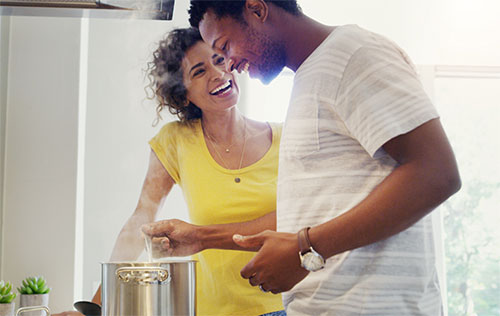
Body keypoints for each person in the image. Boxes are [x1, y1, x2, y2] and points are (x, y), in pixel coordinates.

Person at [186, 1, 462, 315]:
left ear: (257, 9)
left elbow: (436, 172)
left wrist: (304, 250)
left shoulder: (354, 54)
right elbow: (330, 208)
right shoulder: (312, 75)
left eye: (225, 46)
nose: (229, 64)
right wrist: (202, 236)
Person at [54, 27, 285, 316]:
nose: (217, 74)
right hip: (209, 310)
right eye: (199, 72)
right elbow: (142, 218)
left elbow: (294, 221)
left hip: (284, 306)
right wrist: (96, 306)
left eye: (220, 59)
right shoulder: (176, 140)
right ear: (183, 94)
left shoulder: (285, 138)